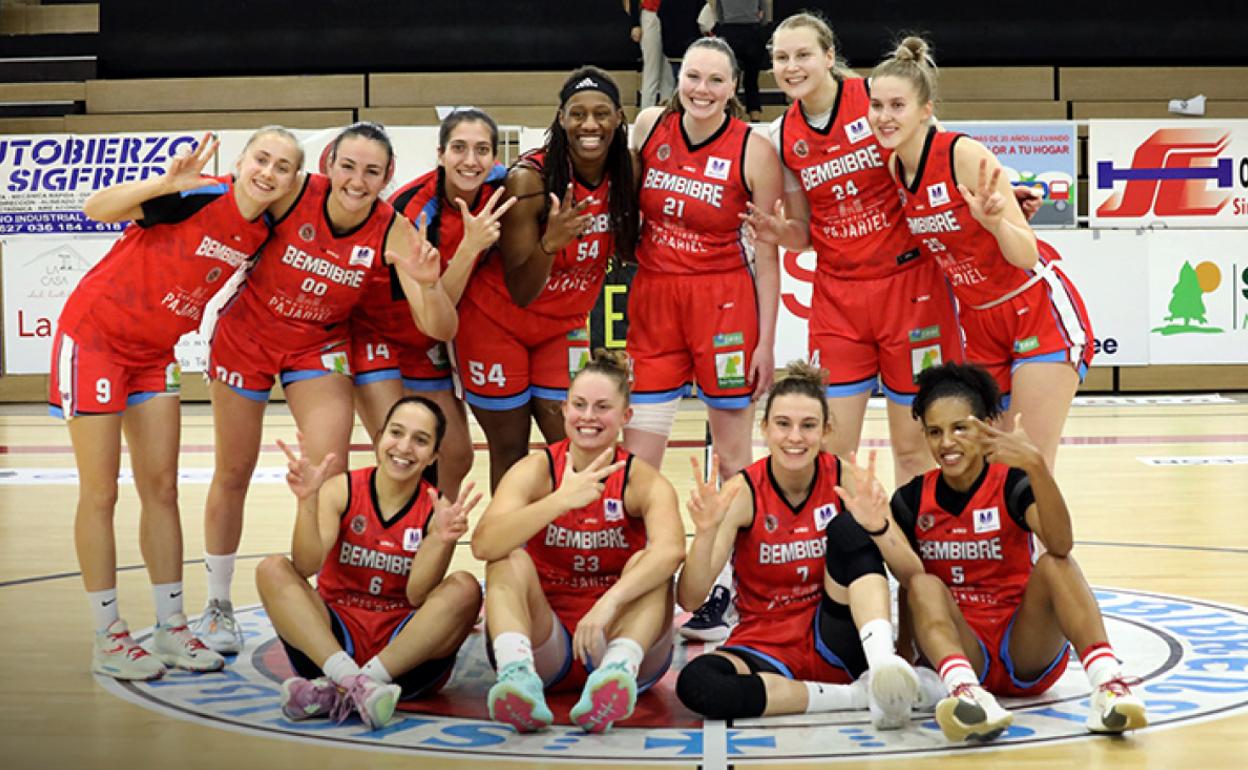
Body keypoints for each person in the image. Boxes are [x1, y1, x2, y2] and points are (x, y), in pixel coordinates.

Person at [197, 121, 459, 654]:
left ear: (387, 177)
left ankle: (335, 593)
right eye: (347, 166)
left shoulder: (393, 229)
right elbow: (229, 199)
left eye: (371, 171)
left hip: (317, 345)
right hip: (247, 336)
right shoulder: (293, 193)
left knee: (328, 469)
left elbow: (440, 328)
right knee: (233, 470)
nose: (357, 181)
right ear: (328, 166)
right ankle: (217, 603)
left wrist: (428, 284)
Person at [54, 128, 302, 679]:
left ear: (291, 180)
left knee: (162, 489)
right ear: (242, 161)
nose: (269, 172)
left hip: (155, 353)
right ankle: (108, 634)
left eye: (283, 167)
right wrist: (165, 182)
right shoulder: (197, 195)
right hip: (95, 338)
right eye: (262, 158)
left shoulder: (262, 230)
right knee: (100, 492)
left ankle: (171, 626)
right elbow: (96, 208)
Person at [837, 362, 1148, 741]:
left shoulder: (1012, 481)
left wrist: (1036, 466)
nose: (946, 442)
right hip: (965, 648)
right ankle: (967, 693)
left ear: (986, 426)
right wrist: (904, 656)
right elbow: (910, 586)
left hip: (1025, 644)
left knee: (1055, 564)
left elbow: (1062, 542)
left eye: (960, 428)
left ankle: (1109, 685)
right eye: (935, 432)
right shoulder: (913, 498)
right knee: (922, 582)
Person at [746, 12, 965, 493]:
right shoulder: (783, 135)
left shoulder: (878, 98)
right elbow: (804, 231)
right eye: (781, 58)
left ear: (829, 56)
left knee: (914, 448)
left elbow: (941, 162)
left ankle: (916, 560)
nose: (792, 66)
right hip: (839, 299)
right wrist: (783, 233)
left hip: (909, 289)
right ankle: (843, 560)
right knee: (831, 450)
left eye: (803, 54)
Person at [867, 36, 1094, 470]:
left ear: (926, 109)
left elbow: (1026, 253)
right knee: (986, 465)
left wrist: (996, 223)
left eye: (897, 105)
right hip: (978, 320)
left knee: (1027, 461)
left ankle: (1051, 543)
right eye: (877, 106)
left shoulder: (963, 154)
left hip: (1034, 308)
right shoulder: (896, 166)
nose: (884, 116)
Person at [675, 361, 936, 726]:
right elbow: (689, 598)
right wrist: (703, 534)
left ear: (826, 430)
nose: (795, 437)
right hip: (765, 641)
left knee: (849, 527)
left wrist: (877, 527)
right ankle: (861, 695)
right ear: (765, 428)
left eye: (808, 425)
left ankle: (880, 664)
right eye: (783, 424)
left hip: (835, 634)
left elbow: (913, 574)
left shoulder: (847, 479)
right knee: (698, 684)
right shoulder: (743, 491)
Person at [625, 35, 781, 642]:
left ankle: (730, 586)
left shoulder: (753, 149)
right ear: (678, 76)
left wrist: (766, 342)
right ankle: (641, 579)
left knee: (735, 457)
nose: (701, 89)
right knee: (639, 459)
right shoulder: (647, 126)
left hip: (723, 304)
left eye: (716, 80)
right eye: (693, 76)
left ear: (734, 88)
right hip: (655, 302)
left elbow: (768, 254)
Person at [470, 350, 685, 734]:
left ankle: (618, 671)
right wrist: (559, 501)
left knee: (650, 566)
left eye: (603, 407)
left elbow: (672, 550)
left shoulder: (640, 478)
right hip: (546, 638)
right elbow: (484, 544)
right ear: (564, 409)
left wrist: (610, 602)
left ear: (625, 416)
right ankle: (518, 674)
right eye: (580, 405)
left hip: (612, 630)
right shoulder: (536, 470)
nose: (589, 416)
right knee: (506, 560)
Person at [455, 67, 639, 492]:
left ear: (618, 118)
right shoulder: (530, 180)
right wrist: (551, 243)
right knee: (510, 450)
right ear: (560, 118)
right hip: (497, 323)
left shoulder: (627, 170)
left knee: (578, 441)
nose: (589, 125)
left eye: (600, 114)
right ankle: (509, 552)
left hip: (562, 326)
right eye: (577, 114)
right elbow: (520, 290)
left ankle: (577, 547)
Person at [255, 396, 483, 730]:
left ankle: (345, 687)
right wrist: (307, 501)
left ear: (433, 455)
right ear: (378, 439)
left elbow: (418, 595)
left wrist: (439, 540)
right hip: (333, 643)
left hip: (401, 654)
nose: (404, 447)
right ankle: (353, 682)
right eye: (396, 433)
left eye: (420, 440)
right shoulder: (341, 489)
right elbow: (305, 565)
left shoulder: (437, 510)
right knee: (272, 568)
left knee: (465, 587)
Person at [351, 109, 514, 499]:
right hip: (383, 332)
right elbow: (435, 315)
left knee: (456, 454)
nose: (470, 161)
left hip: (424, 343)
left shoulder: (501, 190)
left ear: (494, 158)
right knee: (401, 453)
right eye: (459, 148)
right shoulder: (413, 210)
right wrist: (471, 248)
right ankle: (390, 549)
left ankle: (430, 541)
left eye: (481, 150)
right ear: (440, 154)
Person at [712, 0, 767, 122]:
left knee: (731, 78)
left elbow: (719, 15)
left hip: (730, 31)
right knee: (752, 79)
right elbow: (764, 13)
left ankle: (731, 114)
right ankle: (755, 114)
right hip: (752, 31)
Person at [630, 0, 675, 107]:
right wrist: (635, 23)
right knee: (651, 71)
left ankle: (667, 115)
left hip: (672, 15)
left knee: (668, 74)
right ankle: (646, 115)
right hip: (651, 13)